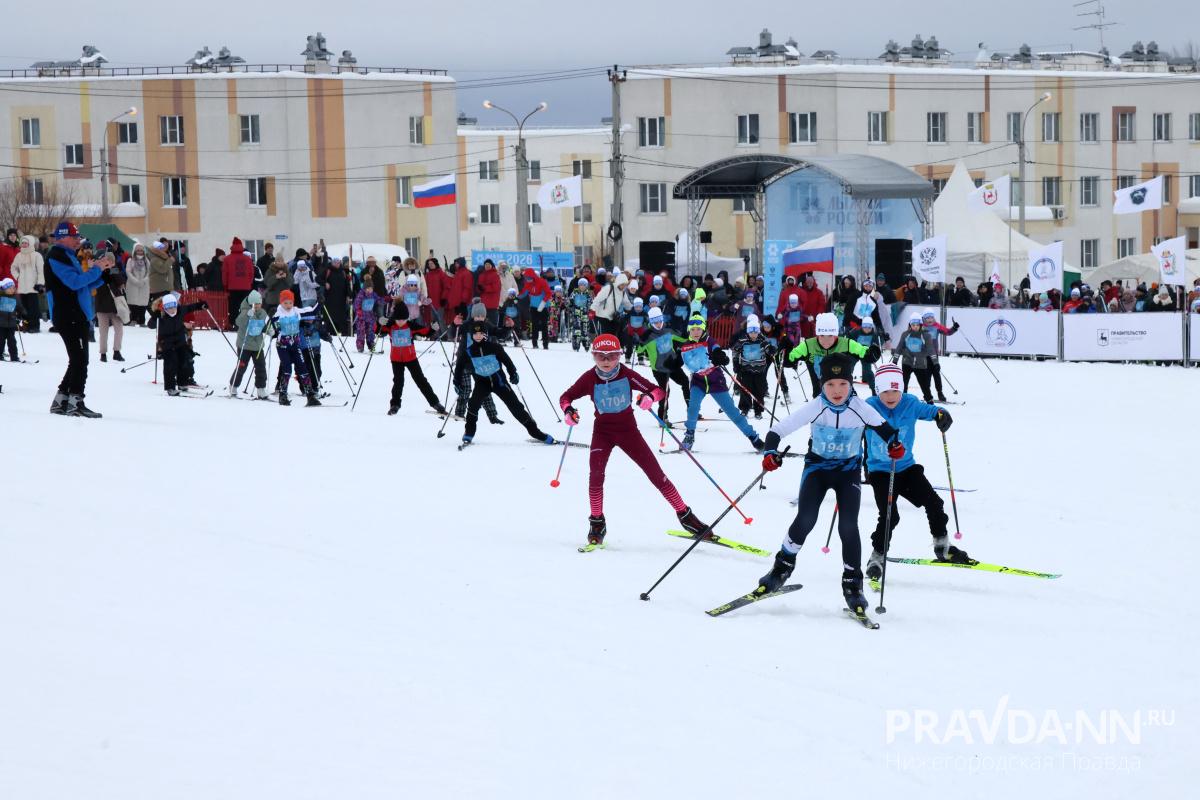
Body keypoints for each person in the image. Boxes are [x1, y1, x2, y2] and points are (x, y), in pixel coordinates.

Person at [756, 354, 902, 617]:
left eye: (843, 384)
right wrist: (770, 452)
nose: (837, 391)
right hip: (818, 470)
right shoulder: (816, 406)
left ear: (851, 384)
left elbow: (888, 431)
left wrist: (894, 444)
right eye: (831, 385)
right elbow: (777, 431)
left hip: (847, 473)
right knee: (806, 518)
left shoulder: (859, 407)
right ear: (822, 385)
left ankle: (852, 583)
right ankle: (781, 568)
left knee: (848, 526)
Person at [559, 333, 712, 549]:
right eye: (600, 356)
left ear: (619, 356)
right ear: (593, 356)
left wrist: (649, 398)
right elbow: (565, 397)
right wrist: (568, 410)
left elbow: (658, 390)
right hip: (602, 432)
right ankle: (597, 523)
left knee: (657, 475)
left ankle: (686, 516)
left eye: (611, 356)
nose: (606, 361)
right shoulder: (589, 378)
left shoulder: (627, 374)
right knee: (595, 477)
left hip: (628, 432)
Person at [862, 363, 969, 581]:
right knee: (890, 515)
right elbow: (852, 423)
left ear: (901, 389)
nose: (890, 396)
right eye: (884, 391)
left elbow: (930, 411)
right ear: (877, 391)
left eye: (895, 391)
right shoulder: (869, 406)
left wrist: (941, 413)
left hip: (906, 468)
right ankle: (877, 556)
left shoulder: (910, 403)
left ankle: (942, 546)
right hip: (880, 471)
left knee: (934, 503)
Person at [669, 314, 763, 452]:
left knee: (732, 412)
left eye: (698, 329)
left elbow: (717, 351)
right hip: (698, 382)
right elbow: (679, 361)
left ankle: (753, 437)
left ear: (703, 330)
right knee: (693, 408)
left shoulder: (709, 341)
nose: (696, 332)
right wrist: (671, 364)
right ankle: (689, 435)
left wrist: (720, 356)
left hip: (716, 382)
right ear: (689, 330)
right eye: (693, 329)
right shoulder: (685, 346)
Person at [455, 320, 553, 448]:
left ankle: (536, 432)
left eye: (481, 333)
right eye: (475, 334)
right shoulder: (468, 352)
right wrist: (457, 382)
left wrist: (513, 373)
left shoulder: (494, 347)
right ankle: (469, 433)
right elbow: (459, 367)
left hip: (499, 382)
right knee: (473, 405)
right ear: (471, 335)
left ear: (485, 334)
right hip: (482, 383)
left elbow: (507, 361)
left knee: (516, 407)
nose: (478, 336)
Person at [45, 221, 105, 417]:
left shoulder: (68, 256)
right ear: (62, 237)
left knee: (76, 360)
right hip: (68, 315)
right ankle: (75, 403)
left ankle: (61, 401)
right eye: (74, 237)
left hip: (75, 314)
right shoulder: (57, 256)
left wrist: (102, 273)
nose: (78, 240)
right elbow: (73, 283)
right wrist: (96, 269)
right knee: (80, 360)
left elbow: (82, 286)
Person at [378, 302, 448, 416]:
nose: (401, 322)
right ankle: (395, 405)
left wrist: (433, 328)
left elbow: (425, 332)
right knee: (398, 382)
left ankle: (435, 403)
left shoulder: (410, 326)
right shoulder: (390, 325)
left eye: (403, 319)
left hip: (411, 358)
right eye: (398, 320)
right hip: (396, 360)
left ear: (407, 318)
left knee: (421, 381)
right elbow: (378, 331)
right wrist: (379, 322)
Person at [787, 312, 875, 396]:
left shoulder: (844, 343)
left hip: (838, 380)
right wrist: (788, 354)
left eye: (830, 336)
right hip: (818, 381)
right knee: (819, 393)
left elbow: (860, 349)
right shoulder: (809, 344)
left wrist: (870, 353)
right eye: (822, 336)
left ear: (836, 335)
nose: (826, 341)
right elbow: (793, 354)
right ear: (817, 335)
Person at [636, 306, 692, 422]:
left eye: (660, 320)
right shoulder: (648, 335)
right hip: (659, 369)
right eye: (655, 321)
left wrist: (690, 334)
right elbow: (639, 350)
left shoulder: (668, 330)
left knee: (685, 381)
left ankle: (692, 410)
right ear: (651, 322)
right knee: (664, 392)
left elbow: (683, 339)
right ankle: (662, 417)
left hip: (672, 365)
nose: (658, 323)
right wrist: (638, 341)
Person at [452, 303, 504, 424]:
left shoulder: (487, 325)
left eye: (482, 316)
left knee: (484, 390)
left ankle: (492, 415)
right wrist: (455, 325)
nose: (479, 318)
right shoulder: (466, 325)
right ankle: (459, 413)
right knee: (465, 390)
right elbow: (452, 334)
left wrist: (507, 328)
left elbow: (499, 333)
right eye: (477, 316)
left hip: (480, 364)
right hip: (465, 362)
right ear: (473, 316)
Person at [271, 290, 321, 406]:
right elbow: (274, 326)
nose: (288, 306)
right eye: (285, 303)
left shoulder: (296, 311)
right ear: (281, 303)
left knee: (303, 369)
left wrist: (320, 302)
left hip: (295, 345)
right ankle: (283, 395)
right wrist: (273, 318)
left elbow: (312, 311)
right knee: (287, 369)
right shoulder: (278, 313)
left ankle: (310, 395)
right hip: (283, 346)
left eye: (290, 303)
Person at [155, 293, 209, 396]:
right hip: (168, 345)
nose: (172, 309)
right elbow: (150, 325)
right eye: (168, 307)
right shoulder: (161, 316)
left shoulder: (180, 310)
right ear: (164, 307)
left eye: (173, 306)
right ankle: (170, 387)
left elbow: (191, 307)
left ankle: (182, 383)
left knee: (185, 362)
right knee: (171, 365)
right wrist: (155, 315)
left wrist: (201, 305)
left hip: (180, 343)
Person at [729, 314, 774, 419]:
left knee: (759, 390)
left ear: (758, 331)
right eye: (751, 332)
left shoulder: (762, 340)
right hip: (746, 370)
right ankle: (745, 408)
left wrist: (772, 350)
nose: (753, 335)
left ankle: (758, 410)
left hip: (760, 370)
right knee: (745, 390)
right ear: (747, 331)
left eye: (755, 332)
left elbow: (769, 349)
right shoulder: (742, 341)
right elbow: (735, 352)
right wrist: (736, 364)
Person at [230, 290, 271, 399]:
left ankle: (261, 388)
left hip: (257, 346)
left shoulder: (263, 312)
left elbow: (264, 325)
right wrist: (246, 315)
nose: (256, 306)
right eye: (254, 304)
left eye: (258, 303)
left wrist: (269, 330)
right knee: (242, 367)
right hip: (244, 344)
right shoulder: (244, 311)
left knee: (261, 367)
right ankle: (233, 386)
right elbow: (238, 322)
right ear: (250, 304)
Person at [93, 250, 126, 363]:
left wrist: (112, 269)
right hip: (101, 305)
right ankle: (103, 353)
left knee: (119, 330)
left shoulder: (114, 270)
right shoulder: (96, 271)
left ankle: (117, 351)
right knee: (103, 331)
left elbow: (121, 282)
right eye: (106, 260)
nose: (108, 262)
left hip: (115, 306)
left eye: (111, 260)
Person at [920, 311, 960, 402]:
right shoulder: (921, 327)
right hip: (924, 356)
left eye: (931, 318)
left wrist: (954, 328)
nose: (929, 320)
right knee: (926, 375)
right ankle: (927, 393)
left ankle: (940, 392)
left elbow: (947, 332)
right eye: (927, 318)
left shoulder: (937, 326)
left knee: (936, 374)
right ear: (924, 319)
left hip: (934, 355)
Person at [896, 315, 937, 403]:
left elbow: (931, 349)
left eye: (917, 325)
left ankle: (929, 401)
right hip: (907, 362)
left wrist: (935, 362)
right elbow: (899, 347)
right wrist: (895, 360)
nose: (915, 327)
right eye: (913, 325)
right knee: (903, 383)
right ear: (910, 325)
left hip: (920, 363)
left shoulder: (926, 335)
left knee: (924, 384)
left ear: (921, 325)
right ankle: (902, 400)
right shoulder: (905, 334)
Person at [11, 234, 45, 332]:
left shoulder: (37, 255)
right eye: (22, 243)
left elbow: (41, 271)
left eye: (26, 243)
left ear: (30, 243)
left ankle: (35, 326)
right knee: (24, 307)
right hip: (22, 286)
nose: (24, 245)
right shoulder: (19, 255)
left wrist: (40, 283)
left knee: (33, 307)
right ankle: (26, 325)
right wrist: (18, 276)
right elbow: (13, 268)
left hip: (33, 286)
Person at [221, 237, 255, 328]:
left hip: (232, 287)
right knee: (245, 306)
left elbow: (225, 273)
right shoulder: (247, 259)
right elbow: (251, 273)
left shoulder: (227, 259)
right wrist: (249, 283)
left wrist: (225, 285)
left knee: (233, 307)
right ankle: (245, 323)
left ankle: (233, 323)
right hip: (245, 287)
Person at [519, 267, 552, 349]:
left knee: (544, 326)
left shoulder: (542, 282)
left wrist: (543, 303)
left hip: (543, 307)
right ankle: (534, 343)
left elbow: (548, 293)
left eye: (529, 278)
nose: (528, 279)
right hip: (533, 307)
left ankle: (545, 344)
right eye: (526, 278)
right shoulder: (527, 283)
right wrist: (515, 297)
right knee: (534, 325)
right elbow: (523, 293)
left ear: (533, 276)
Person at [849, 317, 884, 394]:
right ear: (862, 326)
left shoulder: (874, 335)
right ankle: (848, 386)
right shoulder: (855, 332)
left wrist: (883, 337)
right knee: (849, 368)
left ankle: (873, 388)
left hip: (866, 354)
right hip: (855, 353)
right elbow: (848, 340)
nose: (867, 329)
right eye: (865, 326)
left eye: (869, 327)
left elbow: (877, 345)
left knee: (868, 371)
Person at [146, 241, 176, 328]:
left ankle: (162, 323)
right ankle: (154, 323)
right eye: (162, 248)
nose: (164, 250)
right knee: (159, 306)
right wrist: (170, 261)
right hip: (159, 288)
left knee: (163, 306)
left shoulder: (162, 258)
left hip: (164, 287)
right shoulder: (155, 259)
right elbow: (162, 269)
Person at [353, 280, 380, 353]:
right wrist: (358, 310)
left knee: (370, 331)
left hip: (370, 316)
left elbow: (378, 300)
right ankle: (360, 346)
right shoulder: (361, 295)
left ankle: (371, 344)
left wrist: (385, 299)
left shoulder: (373, 295)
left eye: (371, 289)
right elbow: (356, 304)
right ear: (364, 288)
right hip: (361, 317)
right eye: (367, 288)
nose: (369, 290)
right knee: (361, 331)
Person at [568, 278, 594, 351]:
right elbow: (570, 300)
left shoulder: (587, 293)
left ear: (586, 286)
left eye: (584, 285)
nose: (582, 287)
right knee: (577, 328)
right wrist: (570, 305)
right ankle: (576, 342)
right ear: (578, 286)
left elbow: (591, 301)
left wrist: (590, 307)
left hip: (585, 313)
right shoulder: (575, 292)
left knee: (585, 328)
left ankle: (586, 342)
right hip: (576, 312)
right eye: (581, 285)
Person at [0, 278, 22, 361]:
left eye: (13, 288)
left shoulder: (16, 297)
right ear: (4, 289)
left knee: (12, 342)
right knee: (1, 341)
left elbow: (20, 308)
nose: (12, 290)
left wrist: (20, 316)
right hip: (1, 324)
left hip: (11, 324)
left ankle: (14, 356)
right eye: (10, 288)